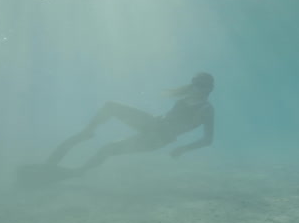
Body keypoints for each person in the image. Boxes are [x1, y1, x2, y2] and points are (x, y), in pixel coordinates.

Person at [45, 72, 215, 177]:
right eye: (194, 83)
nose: (194, 87)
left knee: (107, 149)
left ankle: (78, 172)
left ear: (208, 89)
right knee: (110, 106)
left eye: (199, 85)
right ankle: (87, 132)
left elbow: (208, 139)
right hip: (153, 124)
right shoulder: (186, 99)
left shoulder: (206, 110)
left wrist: (183, 149)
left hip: (159, 138)